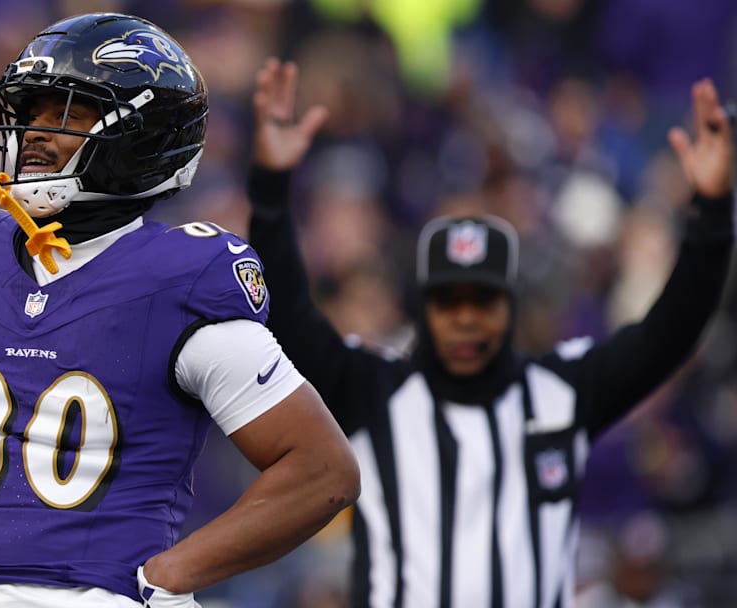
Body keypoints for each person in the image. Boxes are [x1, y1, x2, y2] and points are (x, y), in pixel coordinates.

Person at [0, 15, 360, 608]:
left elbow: (322, 471)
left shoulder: (178, 280)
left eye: (67, 114)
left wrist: (170, 576)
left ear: (141, 138)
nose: (36, 134)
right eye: (32, 111)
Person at [246, 57, 734, 607]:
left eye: (483, 299)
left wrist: (712, 213)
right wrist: (270, 190)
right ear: (424, 308)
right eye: (448, 300)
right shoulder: (372, 391)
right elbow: (284, 313)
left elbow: (671, 332)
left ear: (510, 306)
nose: (467, 317)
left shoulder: (562, 393)